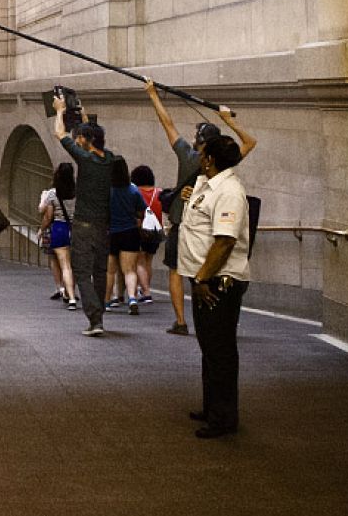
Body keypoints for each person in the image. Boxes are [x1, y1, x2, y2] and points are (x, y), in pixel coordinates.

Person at [144, 81, 257, 335]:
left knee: (175, 271)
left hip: (186, 227)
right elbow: (250, 142)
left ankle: (181, 320)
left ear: (202, 148)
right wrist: (228, 120)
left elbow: (168, 124)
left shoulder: (190, 157)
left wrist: (152, 94)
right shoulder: (226, 162)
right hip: (209, 244)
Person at [179, 135, 252, 439]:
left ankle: (223, 418)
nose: (197, 155)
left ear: (210, 160)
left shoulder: (229, 191)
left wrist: (201, 278)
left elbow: (224, 242)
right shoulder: (209, 185)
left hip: (216, 282)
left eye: (201, 152)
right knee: (209, 348)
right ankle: (212, 407)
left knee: (220, 351)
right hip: (204, 279)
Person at [49, 98, 123, 337]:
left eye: (81, 137)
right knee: (100, 271)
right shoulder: (110, 159)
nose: (78, 139)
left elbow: (59, 133)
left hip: (83, 225)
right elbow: (92, 134)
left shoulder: (85, 159)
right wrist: (83, 114)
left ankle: (95, 318)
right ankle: (98, 315)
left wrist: (60, 111)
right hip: (104, 226)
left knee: (82, 271)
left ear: (88, 141)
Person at [107, 158, 149, 315]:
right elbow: (141, 211)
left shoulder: (107, 190)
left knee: (110, 270)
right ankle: (132, 298)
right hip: (130, 232)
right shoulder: (132, 190)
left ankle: (107, 301)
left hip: (112, 232)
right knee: (129, 270)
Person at [38, 162, 79, 309]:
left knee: (65, 265)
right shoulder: (77, 192)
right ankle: (71, 292)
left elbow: (48, 217)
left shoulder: (52, 194)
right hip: (76, 229)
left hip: (59, 228)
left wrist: (42, 230)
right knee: (73, 265)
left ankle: (70, 297)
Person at [131, 164, 164, 308]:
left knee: (139, 261)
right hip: (155, 231)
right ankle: (145, 288)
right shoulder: (160, 192)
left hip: (140, 230)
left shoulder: (135, 192)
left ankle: (146, 291)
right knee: (148, 261)